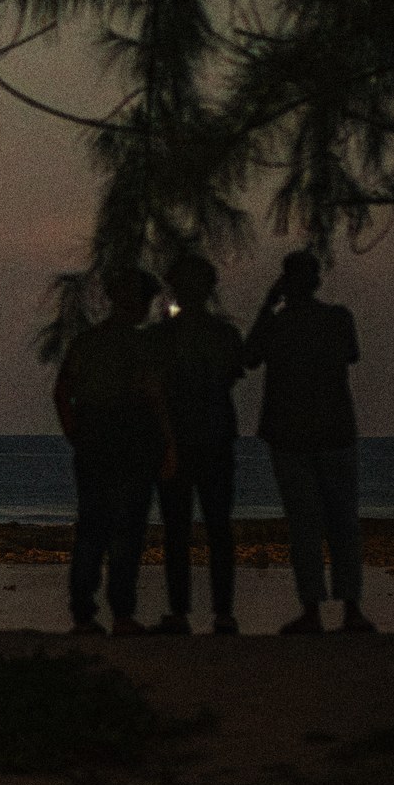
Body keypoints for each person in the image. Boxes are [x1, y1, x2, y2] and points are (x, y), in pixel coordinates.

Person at [244, 250, 374, 634]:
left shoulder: (284, 323)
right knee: (340, 523)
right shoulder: (335, 319)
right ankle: (345, 608)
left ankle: (318, 609)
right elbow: (350, 353)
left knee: (309, 525)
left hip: (298, 435)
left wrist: (268, 307)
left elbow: (249, 357)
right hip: (325, 433)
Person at [54, 268, 174, 636]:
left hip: (100, 440)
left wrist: (76, 432)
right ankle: (118, 614)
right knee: (124, 532)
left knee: (94, 529)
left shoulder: (87, 344)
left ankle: (86, 614)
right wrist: (168, 447)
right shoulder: (139, 346)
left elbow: (63, 393)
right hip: (126, 440)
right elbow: (155, 399)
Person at [147, 254, 248, 635]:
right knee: (211, 528)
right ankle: (217, 612)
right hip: (206, 437)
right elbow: (231, 374)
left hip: (190, 437)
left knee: (183, 529)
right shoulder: (221, 334)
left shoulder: (166, 336)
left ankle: (188, 611)